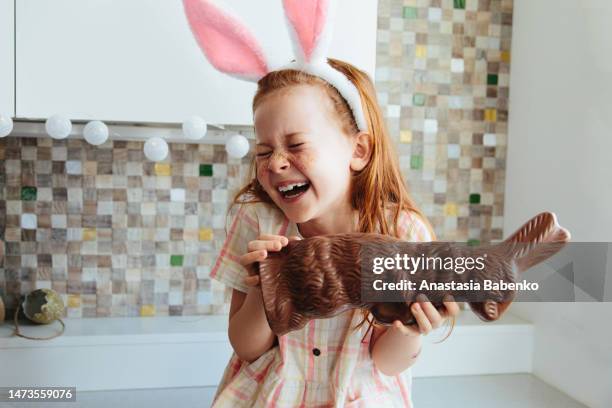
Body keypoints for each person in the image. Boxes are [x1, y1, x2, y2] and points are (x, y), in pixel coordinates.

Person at [208, 58, 460, 407]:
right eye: (264, 151)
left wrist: (410, 329)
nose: (276, 163)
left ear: (358, 150)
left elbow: (387, 365)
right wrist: (266, 288)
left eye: (296, 146)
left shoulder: (401, 232)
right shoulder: (257, 220)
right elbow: (246, 347)